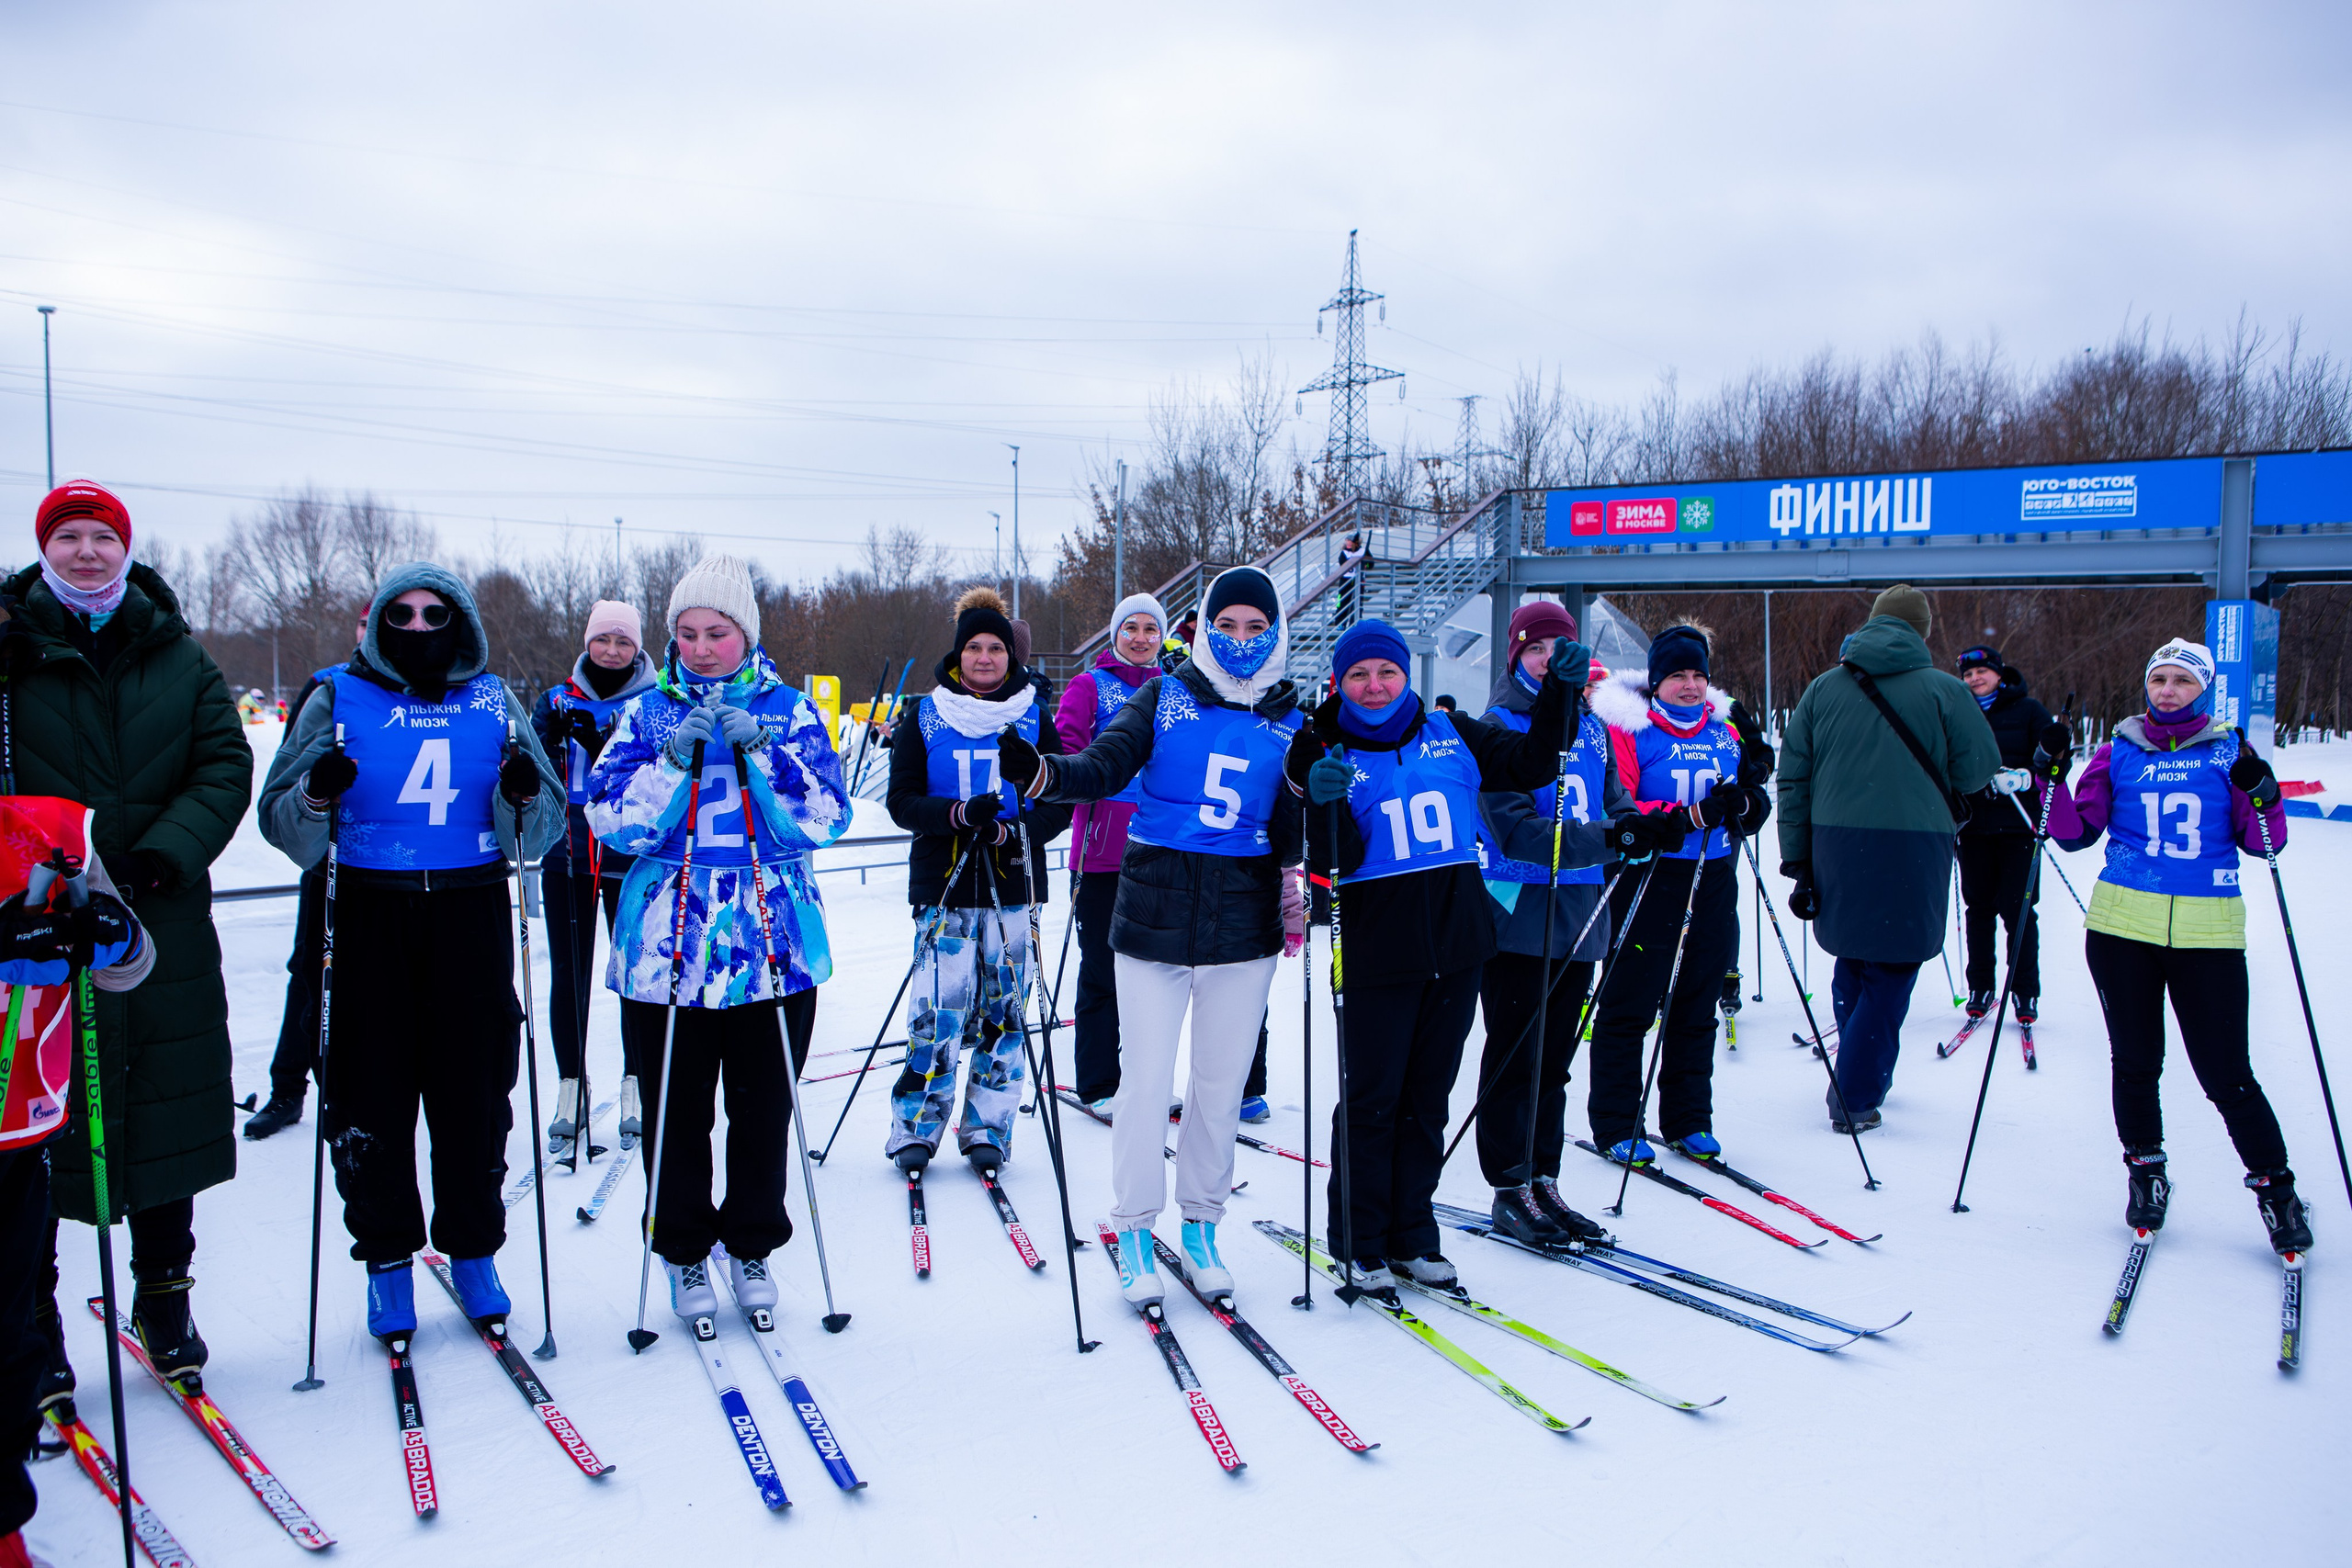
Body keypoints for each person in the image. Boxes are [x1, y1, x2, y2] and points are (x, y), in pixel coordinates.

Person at [260, 562, 564, 1336]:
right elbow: (282, 823)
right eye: (405, 615)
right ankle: (389, 1258)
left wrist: (520, 794)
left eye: (438, 615)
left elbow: (544, 827)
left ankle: (473, 1251)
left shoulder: (493, 699)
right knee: (369, 1092)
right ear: (376, 623)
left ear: (462, 622)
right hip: (367, 912)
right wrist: (316, 793)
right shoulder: (335, 695)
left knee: (472, 1092)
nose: (421, 629)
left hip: (468, 912)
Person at [6, 482, 253, 1409]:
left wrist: (163, 857)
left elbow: (224, 764)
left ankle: (164, 1298)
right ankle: (32, 1322)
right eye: (66, 538)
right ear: (43, 550)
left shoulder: (178, 656)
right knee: (32, 1128)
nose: (84, 554)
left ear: (125, 547)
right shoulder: (12, 650)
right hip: (37, 923)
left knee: (164, 1105)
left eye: (100, 537)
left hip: (160, 916)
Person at [1002, 567, 1303, 1305]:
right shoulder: (1165, 693)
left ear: (1275, 634)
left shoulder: (1294, 716)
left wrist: (1309, 793)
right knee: (1142, 1085)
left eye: (1254, 628)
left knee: (1219, 1087)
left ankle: (1200, 1224)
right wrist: (1043, 775)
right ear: (1201, 628)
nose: (1239, 640)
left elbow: (1298, 833)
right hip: (1154, 914)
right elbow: (1104, 763)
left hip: (1244, 922)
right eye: (1226, 626)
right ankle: (1135, 1226)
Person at [1288, 615, 1589, 1292]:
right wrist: (1324, 805)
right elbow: (1333, 863)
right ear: (1340, 680)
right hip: (1375, 952)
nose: (1374, 685)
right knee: (1371, 1100)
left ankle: (1412, 1232)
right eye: (1359, 674)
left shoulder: (1451, 731)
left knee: (1428, 1100)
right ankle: (1359, 1238)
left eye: (1387, 671)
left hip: (1457, 946)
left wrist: (1558, 696)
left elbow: (1534, 761)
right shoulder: (1322, 746)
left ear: (1406, 674)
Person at [586, 556, 850, 1315]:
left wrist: (762, 751)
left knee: (764, 1109)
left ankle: (753, 1244)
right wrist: (672, 762)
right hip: (666, 951)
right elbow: (609, 817)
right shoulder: (647, 712)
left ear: (747, 634)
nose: (701, 648)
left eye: (717, 632)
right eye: (688, 632)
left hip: (771, 948)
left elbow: (828, 815)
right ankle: (683, 1250)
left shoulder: (789, 710)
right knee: (677, 1111)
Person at [2052, 639, 2311, 1255]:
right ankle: (2146, 1173)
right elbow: (2072, 833)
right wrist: (2049, 777)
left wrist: (2266, 794)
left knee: (2227, 1075)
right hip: (2120, 931)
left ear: (2205, 688)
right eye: (2159, 679)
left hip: (2207, 934)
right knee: (2136, 1063)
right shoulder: (2116, 752)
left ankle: (2277, 1191)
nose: (2168, 690)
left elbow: (2263, 843)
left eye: (2182, 681)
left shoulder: (2230, 750)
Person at [1775, 585, 1999, 1133]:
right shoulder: (1947, 691)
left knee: (1853, 954)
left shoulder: (1822, 690)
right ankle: (1855, 1093)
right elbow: (1977, 772)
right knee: (1895, 964)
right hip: (1912, 843)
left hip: (1835, 842)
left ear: (1872, 624)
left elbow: (1794, 779)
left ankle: (1854, 1065)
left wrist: (1797, 860)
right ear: (1920, 631)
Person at [0, 797, 155, 1563]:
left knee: (7, 1342)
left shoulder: (47, 829)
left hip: (15, 1132)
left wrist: (108, 932)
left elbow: (133, 963)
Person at [883, 587, 1071, 1173]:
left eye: (995, 648)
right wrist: (956, 817)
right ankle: (917, 1124)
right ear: (958, 654)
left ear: (1010, 658)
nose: (984, 658)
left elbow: (1058, 797)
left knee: (1006, 1010)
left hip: (1012, 884)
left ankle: (987, 1125)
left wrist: (1016, 831)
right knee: (937, 1009)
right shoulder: (926, 714)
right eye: (973, 648)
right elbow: (902, 801)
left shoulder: (1034, 716)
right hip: (944, 885)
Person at [1472, 603, 1629, 1245]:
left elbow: (1615, 801)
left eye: (1558, 648)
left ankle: (1543, 1177)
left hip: (1580, 912)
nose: (1546, 658)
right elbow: (1516, 831)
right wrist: (1611, 838)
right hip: (1519, 910)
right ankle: (1510, 1184)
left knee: (1556, 1060)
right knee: (1516, 1055)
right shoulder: (1500, 723)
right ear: (1515, 655)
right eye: (1535, 649)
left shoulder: (1590, 724)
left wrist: (1635, 829)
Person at [1585, 622, 1771, 1163]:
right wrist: (1689, 815)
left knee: (1697, 1000)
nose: (1690, 686)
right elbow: (1618, 805)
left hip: (1712, 875)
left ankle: (1689, 1118)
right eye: (1677, 676)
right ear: (1656, 681)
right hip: (1651, 876)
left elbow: (1748, 799)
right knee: (1632, 1000)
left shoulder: (1723, 728)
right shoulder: (1629, 728)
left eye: (1698, 675)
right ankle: (1617, 1120)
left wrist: (1746, 805)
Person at [532, 600, 659, 1150]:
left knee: (634, 973)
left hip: (632, 858)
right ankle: (571, 1086)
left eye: (623, 642)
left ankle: (636, 1082)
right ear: (587, 643)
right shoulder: (556, 698)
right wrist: (550, 739)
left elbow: (659, 773)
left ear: (638, 647)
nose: (612, 651)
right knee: (571, 974)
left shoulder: (656, 702)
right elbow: (527, 770)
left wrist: (598, 745)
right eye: (603, 640)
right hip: (568, 855)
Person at [244, 616, 369, 1141]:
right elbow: (290, 770)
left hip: (396, 867)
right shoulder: (330, 685)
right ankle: (287, 1089)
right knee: (311, 972)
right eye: (366, 623)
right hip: (329, 860)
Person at [1052, 592, 1166, 1111]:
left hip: (1163, 846)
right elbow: (1067, 760)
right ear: (1115, 635)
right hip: (1101, 853)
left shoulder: (1175, 691)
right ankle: (1098, 1083)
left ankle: (1145, 1081)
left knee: (1154, 973)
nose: (1141, 639)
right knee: (1102, 968)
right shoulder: (1089, 685)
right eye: (1131, 628)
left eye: (1150, 629)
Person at [1953, 644, 2055, 1021]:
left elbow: (2056, 756)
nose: (1975, 678)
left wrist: (2027, 776)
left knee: (2020, 911)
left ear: (1999, 673)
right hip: (1974, 828)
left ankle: (2024, 991)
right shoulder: (1957, 711)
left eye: (1981, 671)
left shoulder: (2028, 710)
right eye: (1968, 674)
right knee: (1979, 909)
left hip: (2018, 829)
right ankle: (1981, 986)